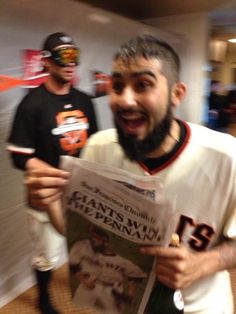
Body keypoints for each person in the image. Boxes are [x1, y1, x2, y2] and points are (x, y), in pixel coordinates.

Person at [25, 35, 236, 313]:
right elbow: (79, 235)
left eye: (143, 84)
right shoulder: (99, 148)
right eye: (118, 85)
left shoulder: (227, 156)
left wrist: (203, 264)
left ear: (177, 94)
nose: (125, 100)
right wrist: (50, 202)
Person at [6, 32, 98, 314]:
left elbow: (93, 144)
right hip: (46, 197)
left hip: (81, 195)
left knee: (86, 246)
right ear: (46, 61)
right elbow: (19, 156)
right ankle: (43, 297)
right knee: (46, 255)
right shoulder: (31, 104)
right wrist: (55, 175)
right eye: (63, 56)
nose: (71, 63)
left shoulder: (85, 101)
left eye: (75, 56)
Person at [69, 225, 146, 314]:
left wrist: (131, 293)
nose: (92, 240)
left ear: (105, 242)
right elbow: (73, 264)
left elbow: (135, 275)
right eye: (92, 237)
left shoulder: (121, 260)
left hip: (113, 289)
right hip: (89, 282)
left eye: (97, 238)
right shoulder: (85, 247)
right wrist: (82, 279)